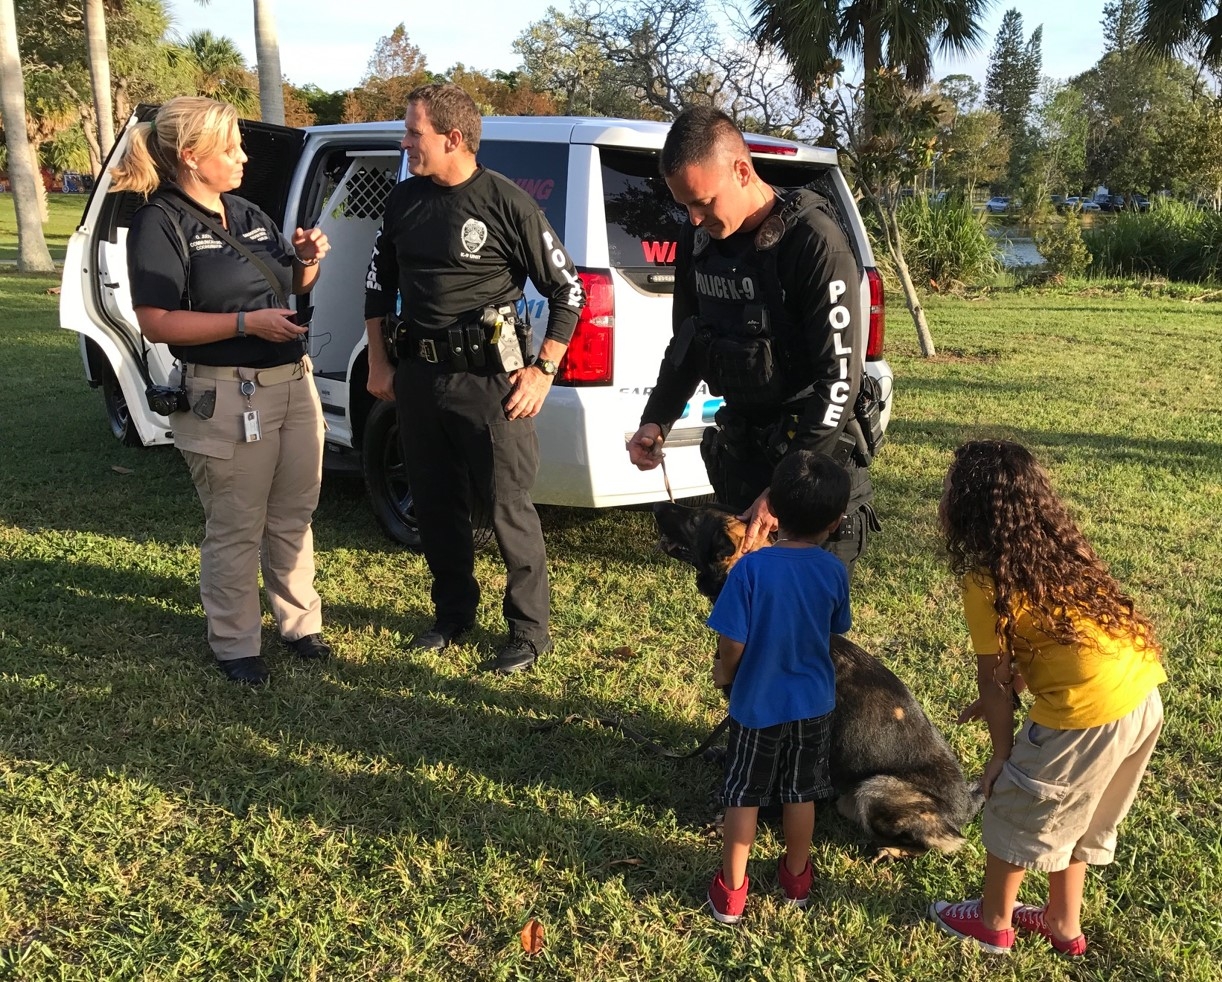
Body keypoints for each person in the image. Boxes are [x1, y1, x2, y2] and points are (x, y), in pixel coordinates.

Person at [110, 96, 333, 686]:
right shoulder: (162, 221)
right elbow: (156, 321)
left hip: (292, 384)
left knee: (293, 512)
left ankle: (299, 624)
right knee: (237, 521)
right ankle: (236, 642)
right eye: (229, 147)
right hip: (227, 396)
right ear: (190, 157)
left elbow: (288, 280)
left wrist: (308, 261)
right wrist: (244, 325)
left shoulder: (248, 211)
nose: (242, 156)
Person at [363, 83, 584, 675]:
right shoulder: (404, 200)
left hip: (490, 382)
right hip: (418, 377)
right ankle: (453, 614)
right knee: (436, 503)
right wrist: (382, 362)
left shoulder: (507, 203)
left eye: (415, 133)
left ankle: (529, 631)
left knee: (507, 506)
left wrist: (543, 371)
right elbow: (378, 283)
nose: (405, 142)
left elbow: (569, 292)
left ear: (452, 138)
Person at [928, 440, 1166, 956]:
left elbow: (991, 678)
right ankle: (1063, 923)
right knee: (1078, 815)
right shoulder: (1059, 550)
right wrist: (1017, 686)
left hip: (1085, 716)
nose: (942, 495)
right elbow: (1053, 643)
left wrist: (1000, 755)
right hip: (1140, 693)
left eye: (949, 488)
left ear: (969, 508)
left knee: (1014, 809)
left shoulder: (984, 579)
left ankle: (993, 923)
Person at [626, 107, 878, 578]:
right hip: (743, 457)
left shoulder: (813, 240)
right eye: (684, 206)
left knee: (801, 628)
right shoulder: (699, 238)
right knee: (740, 616)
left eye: (703, 202)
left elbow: (839, 380)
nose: (694, 219)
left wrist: (784, 491)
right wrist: (656, 420)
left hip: (809, 462)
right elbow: (689, 342)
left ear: (742, 171)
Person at [704, 450, 852, 924]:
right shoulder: (834, 571)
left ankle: (731, 892)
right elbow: (836, 627)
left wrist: (725, 673)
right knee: (799, 793)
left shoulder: (749, 569)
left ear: (775, 514)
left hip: (755, 705)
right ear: (836, 522)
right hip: (814, 704)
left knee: (743, 793)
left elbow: (732, 641)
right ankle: (796, 879)